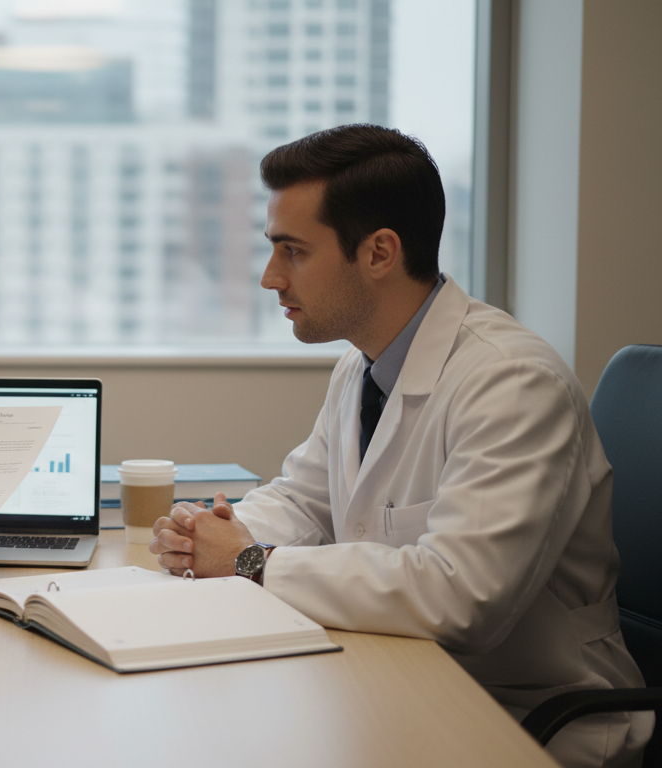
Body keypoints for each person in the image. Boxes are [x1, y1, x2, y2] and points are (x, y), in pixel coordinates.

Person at [149, 125, 650, 768]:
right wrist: (211, 534)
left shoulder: (514, 383)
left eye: (293, 251)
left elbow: (458, 596)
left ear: (380, 252)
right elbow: (305, 499)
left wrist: (250, 561)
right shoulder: (363, 367)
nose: (272, 277)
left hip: (524, 716)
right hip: (397, 675)